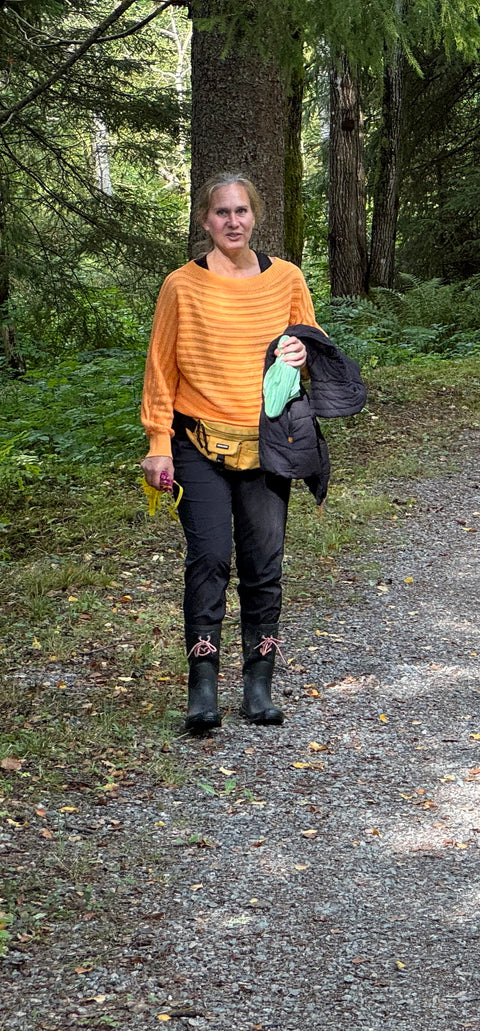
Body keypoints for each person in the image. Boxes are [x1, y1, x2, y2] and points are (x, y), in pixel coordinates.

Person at [140, 173, 319, 736]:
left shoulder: (286, 278)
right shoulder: (181, 286)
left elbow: (313, 350)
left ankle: (259, 685)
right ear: (206, 221)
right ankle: (203, 687)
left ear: (254, 216)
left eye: (242, 211)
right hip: (197, 444)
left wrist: (299, 350)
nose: (233, 221)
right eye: (222, 213)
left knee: (263, 566)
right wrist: (157, 444)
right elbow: (161, 368)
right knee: (211, 558)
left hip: (268, 442)